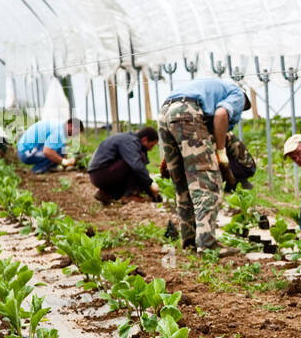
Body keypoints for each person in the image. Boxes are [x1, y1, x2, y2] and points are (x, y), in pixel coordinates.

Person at [157, 77, 249, 251]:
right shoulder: (237, 94)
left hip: (165, 113)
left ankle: (189, 242)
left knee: (183, 184)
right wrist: (221, 153)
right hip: (187, 112)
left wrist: (168, 156)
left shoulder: (206, 89)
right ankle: (207, 244)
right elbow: (222, 114)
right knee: (207, 184)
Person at [88, 126, 161, 204]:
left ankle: (106, 193)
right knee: (138, 163)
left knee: (137, 167)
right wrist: (150, 184)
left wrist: (151, 194)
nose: (151, 149)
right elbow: (137, 167)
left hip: (98, 174)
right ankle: (130, 195)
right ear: (144, 139)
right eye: (151, 145)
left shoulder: (129, 139)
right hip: (101, 174)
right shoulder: (130, 142)